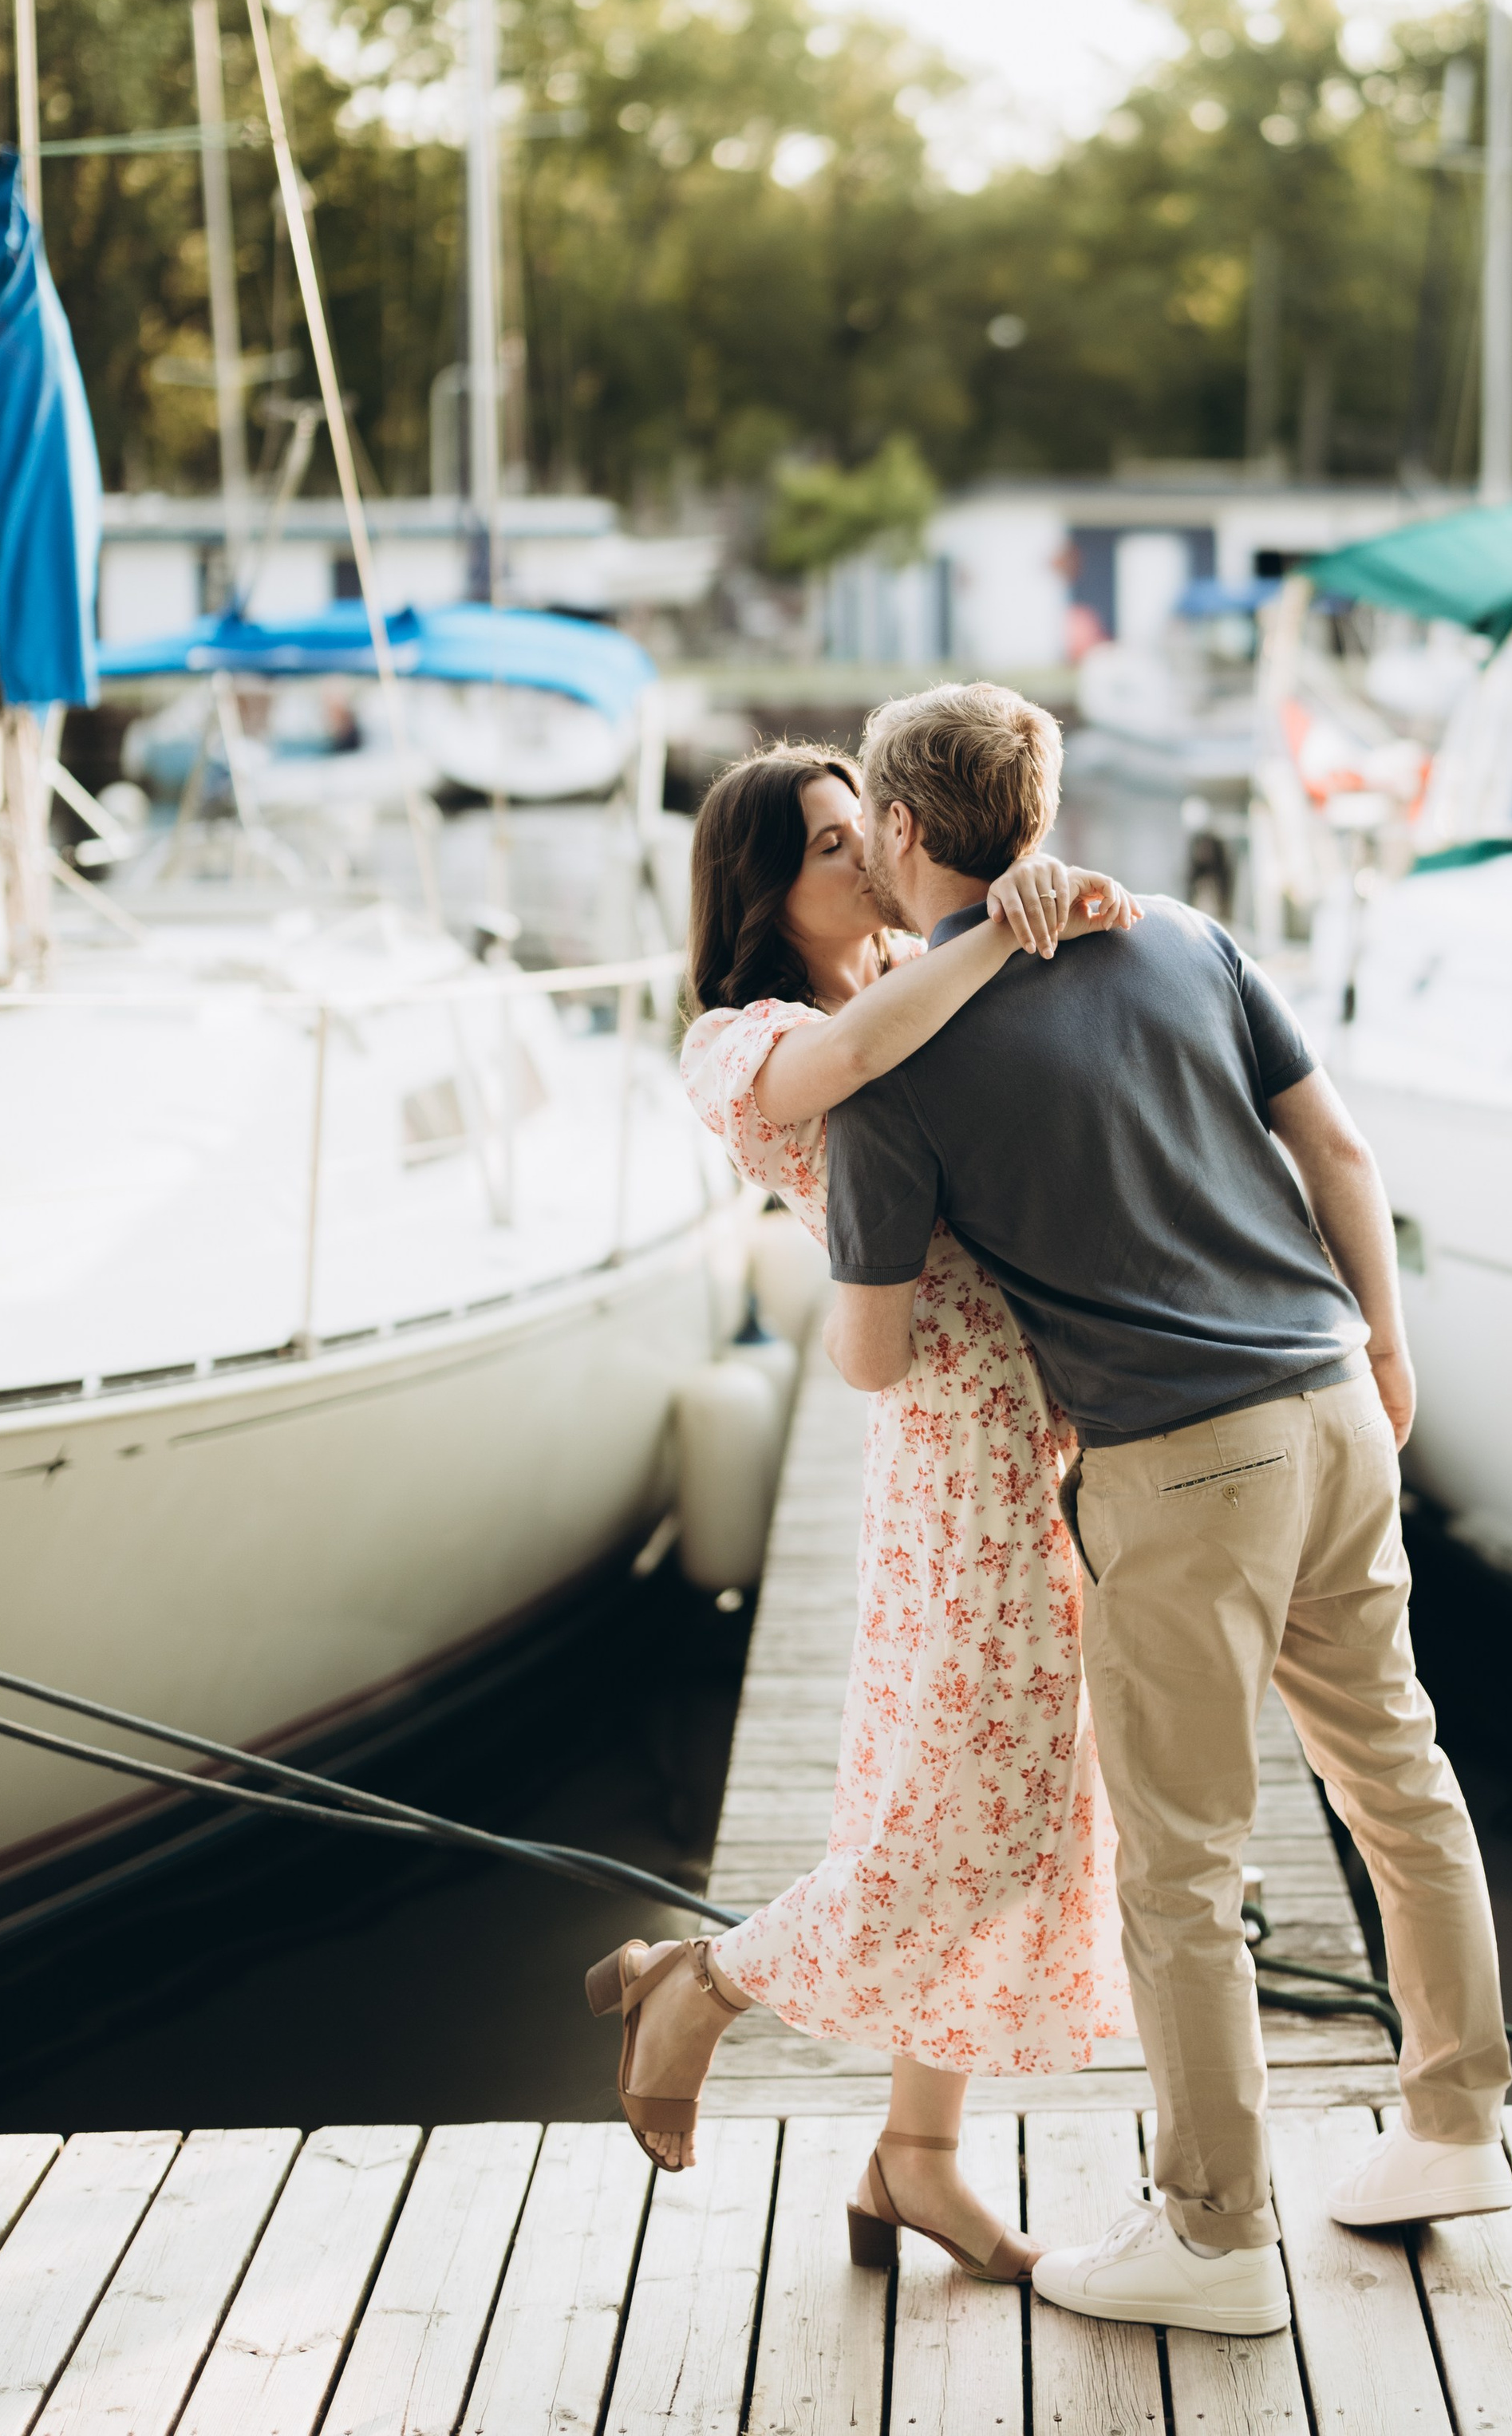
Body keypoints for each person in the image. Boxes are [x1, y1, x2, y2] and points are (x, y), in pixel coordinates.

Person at [823, 681, 1512, 2341]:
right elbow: (1339, 1153)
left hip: (1181, 1461)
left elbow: (872, 1356)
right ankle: (1450, 2129)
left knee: (1184, 1863)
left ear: (901, 829)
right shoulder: (1187, 938)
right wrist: (1384, 1346)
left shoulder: (891, 1064)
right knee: (1396, 1775)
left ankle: (1214, 2236)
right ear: (1038, 811)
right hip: (1334, 1400)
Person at [585, 740, 1136, 2288]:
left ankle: (916, 2159)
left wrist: (1034, 904)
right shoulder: (742, 1041)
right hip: (955, 1446)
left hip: (1044, 1426)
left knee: (1018, 1807)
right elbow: (848, 1064)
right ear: (762, 888)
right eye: (830, 845)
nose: (867, 859)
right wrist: (995, 927)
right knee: (960, 1818)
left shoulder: (920, 969)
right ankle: (699, 1984)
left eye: (865, 832)